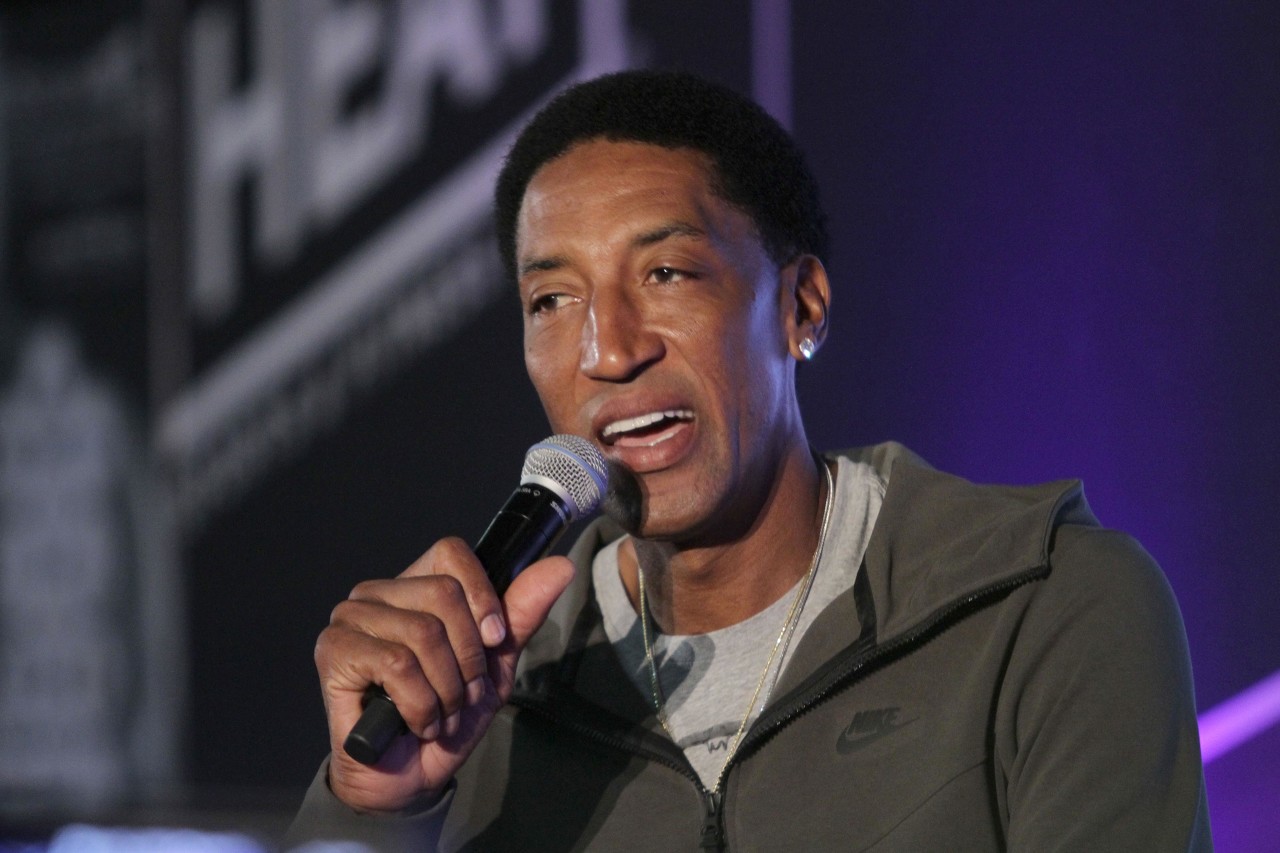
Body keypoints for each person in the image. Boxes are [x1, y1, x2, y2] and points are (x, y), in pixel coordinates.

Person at [290, 70, 1211, 851]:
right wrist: (371, 806)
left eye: (666, 273)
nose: (607, 350)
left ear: (800, 306)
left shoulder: (1041, 604)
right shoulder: (485, 699)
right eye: (552, 301)